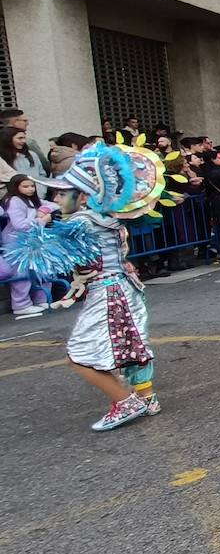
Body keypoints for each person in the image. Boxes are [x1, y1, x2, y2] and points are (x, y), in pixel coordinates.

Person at [5, 142, 169, 430]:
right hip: (120, 288)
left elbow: (34, 256)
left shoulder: (82, 222)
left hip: (109, 292)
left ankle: (126, 400)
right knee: (129, 345)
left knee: (79, 354)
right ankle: (145, 397)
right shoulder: (104, 218)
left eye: (61, 192)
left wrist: (40, 221)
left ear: (82, 197)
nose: (55, 197)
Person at [0, 174, 58, 317]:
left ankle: (42, 299)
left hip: (33, 241)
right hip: (15, 243)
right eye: (25, 186)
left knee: (42, 269)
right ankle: (21, 305)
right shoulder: (14, 201)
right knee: (21, 274)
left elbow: (55, 205)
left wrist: (43, 211)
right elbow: (19, 225)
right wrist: (42, 220)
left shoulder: (31, 201)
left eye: (32, 186)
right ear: (16, 187)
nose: (30, 189)